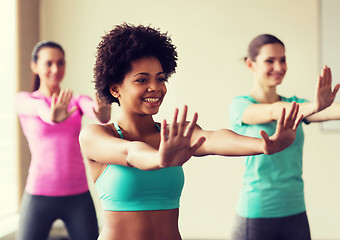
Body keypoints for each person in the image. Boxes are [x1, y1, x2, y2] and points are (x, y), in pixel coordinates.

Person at [78, 23, 304, 240]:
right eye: (142, 80)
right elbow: (130, 153)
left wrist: (263, 145)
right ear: (115, 88)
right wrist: (159, 158)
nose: (155, 87)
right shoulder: (95, 136)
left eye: (160, 78)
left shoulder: (174, 135)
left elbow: (215, 139)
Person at [229, 34, 340, 240]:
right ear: (251, 64)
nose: (278, 67)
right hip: (257, 212)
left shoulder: (297, 104)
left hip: (295, 211)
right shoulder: (241, 105)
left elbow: (327, 112)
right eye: (270, 60)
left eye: (283, 59)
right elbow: (273, 111)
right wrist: (315, 105)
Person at [15, 41, 111, 240]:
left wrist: (103, 112)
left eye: (60, 63)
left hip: (78, 196)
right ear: (35, 66)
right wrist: (52, 116)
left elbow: (96, 112)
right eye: (48, 63)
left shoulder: (76, 101)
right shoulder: (25, 100)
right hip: (38, 195)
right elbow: (41, 111)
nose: (55, 69)